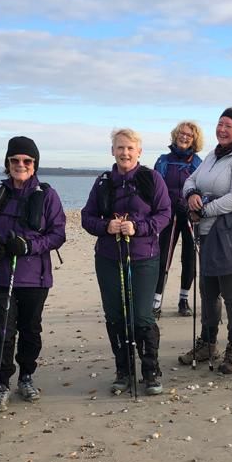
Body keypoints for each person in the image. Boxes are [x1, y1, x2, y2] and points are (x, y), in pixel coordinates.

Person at [0, 136, 66, 408]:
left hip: (34, 278)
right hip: (0, 275)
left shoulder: (47, 195)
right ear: (7, 163)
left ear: (34, 164)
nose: (20, 165)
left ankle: (26, 375)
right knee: (2, 331)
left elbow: (57, 234)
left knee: (30, 330)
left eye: (26, 161)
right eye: (15, 160)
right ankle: (2, 381)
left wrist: (28, 246)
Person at [81, 129, 171, 395]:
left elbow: (165, 214)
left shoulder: (152, 178)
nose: (125, 153)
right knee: (115, 315)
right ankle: (124, 370)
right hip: (109, 257)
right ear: (112, 151)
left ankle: (151, 370)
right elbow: (87, 217)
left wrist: (138, 227)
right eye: (120, 148)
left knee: (142, 315)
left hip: (143, 257)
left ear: (139, 151)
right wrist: (105, 226)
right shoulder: (102, 182)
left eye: (130, 148)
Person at [181, 108, 232, 374]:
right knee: (207, 290)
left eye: (228, 125)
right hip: (206, 233)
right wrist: (191, 193)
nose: (222, 129)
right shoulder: (213, 155)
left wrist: (204, 209)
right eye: (219, 124)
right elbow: (191, 178)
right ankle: (207, 342)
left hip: (231, 234)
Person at [152, 121, 204, 318]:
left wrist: (196, 206)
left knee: (189, 258)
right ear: (175, 135)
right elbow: (157, 187)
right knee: (163, 257)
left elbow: (202, 187)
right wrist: (166, 207)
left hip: (190, 214)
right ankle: (156, 300)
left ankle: (184, 299)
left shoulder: (198, 162)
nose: (184, 137)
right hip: (169, 214)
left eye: (189, 135)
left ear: (194, 139)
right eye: (182, 134)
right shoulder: (164, 160)